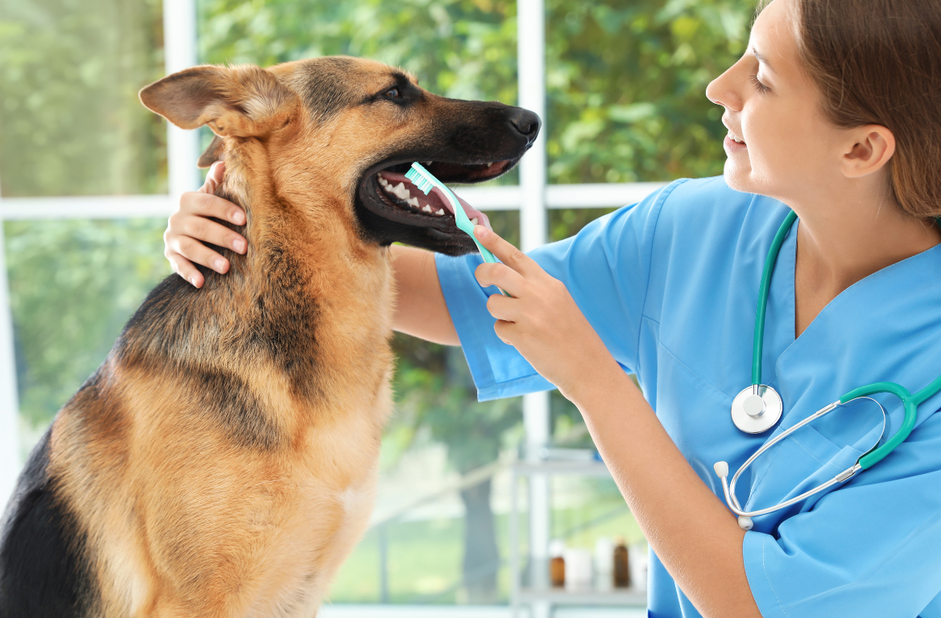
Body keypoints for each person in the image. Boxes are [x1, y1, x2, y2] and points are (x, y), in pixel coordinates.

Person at [162, 0, 941, 615]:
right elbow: (465, 300)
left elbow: (757, 606)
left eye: (763, 78)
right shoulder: (696, 230)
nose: (720, 87)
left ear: (862, 150)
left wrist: (596, 383)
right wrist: (254, 227)